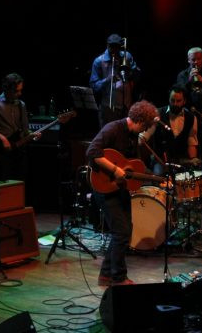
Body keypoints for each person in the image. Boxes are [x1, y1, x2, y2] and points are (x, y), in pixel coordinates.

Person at [86, 100, 158, 286]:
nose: (144, 131)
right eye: (145, 127)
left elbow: (134, 166)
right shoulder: (113, 129)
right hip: (105, 187)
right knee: (121, 232)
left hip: (120, 189)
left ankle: (106, 274)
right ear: (140, 121)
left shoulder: (133, 137)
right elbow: (92, 151)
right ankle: (118, 278)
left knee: (125, 231)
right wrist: (114, 170)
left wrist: (158, 179)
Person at [0, 73, 39, 182]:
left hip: (18, 152)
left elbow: (26, 130)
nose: (19, 93)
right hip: (1, 152)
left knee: (19, 183)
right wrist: (2, 138)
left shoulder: (21, 104)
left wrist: (32, 134)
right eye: (16, 91)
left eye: (20, 90)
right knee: (3, 182)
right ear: (6, 89)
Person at [142, 85, 200, 175]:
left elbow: (191, 141)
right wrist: (143, 137)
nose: (175, 104)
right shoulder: (158, 113)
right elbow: (148, 132)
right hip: (161, 161)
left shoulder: (191, 118)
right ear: (169, 99)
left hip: (181, 160)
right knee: (160, 180)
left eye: (178, 101)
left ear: (184, 101)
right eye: (172, 100)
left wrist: (193, 160)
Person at [89, 33, 141, 128]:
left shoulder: (127, 56)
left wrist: (131, 71)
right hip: (108, 109)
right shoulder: (99, 61)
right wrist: (108, 80)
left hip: (126, 107)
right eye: (112, 47)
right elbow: (93, 86)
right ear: (107, 46)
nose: (114, 51)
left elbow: (138, 76)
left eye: (117, 47)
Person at [176, 46, 202, 159]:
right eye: (193, 59)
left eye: (199, 59)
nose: (196, 62)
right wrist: (189, 81)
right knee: (190, 148)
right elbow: (178, 94)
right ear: (188, 60)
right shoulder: (182, 75)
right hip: (189, 114)